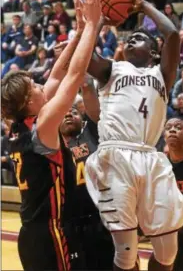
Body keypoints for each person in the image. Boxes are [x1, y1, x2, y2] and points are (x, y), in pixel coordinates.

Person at [84, 0, 183, 271]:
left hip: (151, 159)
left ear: (154, 52)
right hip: (115, 157)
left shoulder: (162, 73)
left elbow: (172, 35)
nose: (131, 40)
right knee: (126, 254)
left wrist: (144, 6)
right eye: (129, 39)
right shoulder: (112, 69)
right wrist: (97, 23)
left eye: (139, 38)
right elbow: (86, 59)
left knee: (167, 253)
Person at [1, 0, 101, 271]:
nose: (40, 84)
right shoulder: (42, 127)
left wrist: (79, 32)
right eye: (34, 86)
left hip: (30, 233)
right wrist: (93, 26)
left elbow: (57, 74)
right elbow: (72, 76)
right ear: (27, 102)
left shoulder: (20, 126)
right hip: (50, 232)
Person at [59, 82, 114, 270]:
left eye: (74, 112)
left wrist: (84, 82)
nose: (68, 114)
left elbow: (91, 101)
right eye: (64, 113)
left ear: (82, 119)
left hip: (101, 218)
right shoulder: (54, 149)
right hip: (70, 224)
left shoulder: (91, 135)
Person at [164, 117, 183, 271]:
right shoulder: (160, 166)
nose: (172, 130)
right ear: (164, 136)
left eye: (178, 127)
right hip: (173, 225)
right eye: (168, 127)